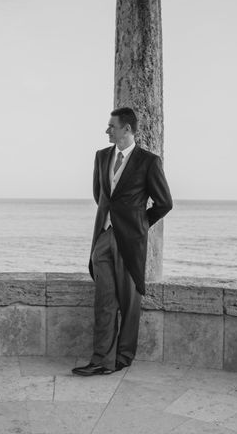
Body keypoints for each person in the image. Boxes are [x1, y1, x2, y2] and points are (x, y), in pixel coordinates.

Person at [72, 107, 172, 376]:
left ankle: (122, 358)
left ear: (127, 129)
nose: (107, 130)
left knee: (129, 303)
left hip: (130, 241)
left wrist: (138, 225)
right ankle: (100, 359)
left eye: (111, 126)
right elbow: (101, 195)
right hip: (103, 238)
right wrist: (110, 223)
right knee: (103, 301)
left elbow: (164, 203)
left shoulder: (149, 161)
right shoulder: (102, 157)